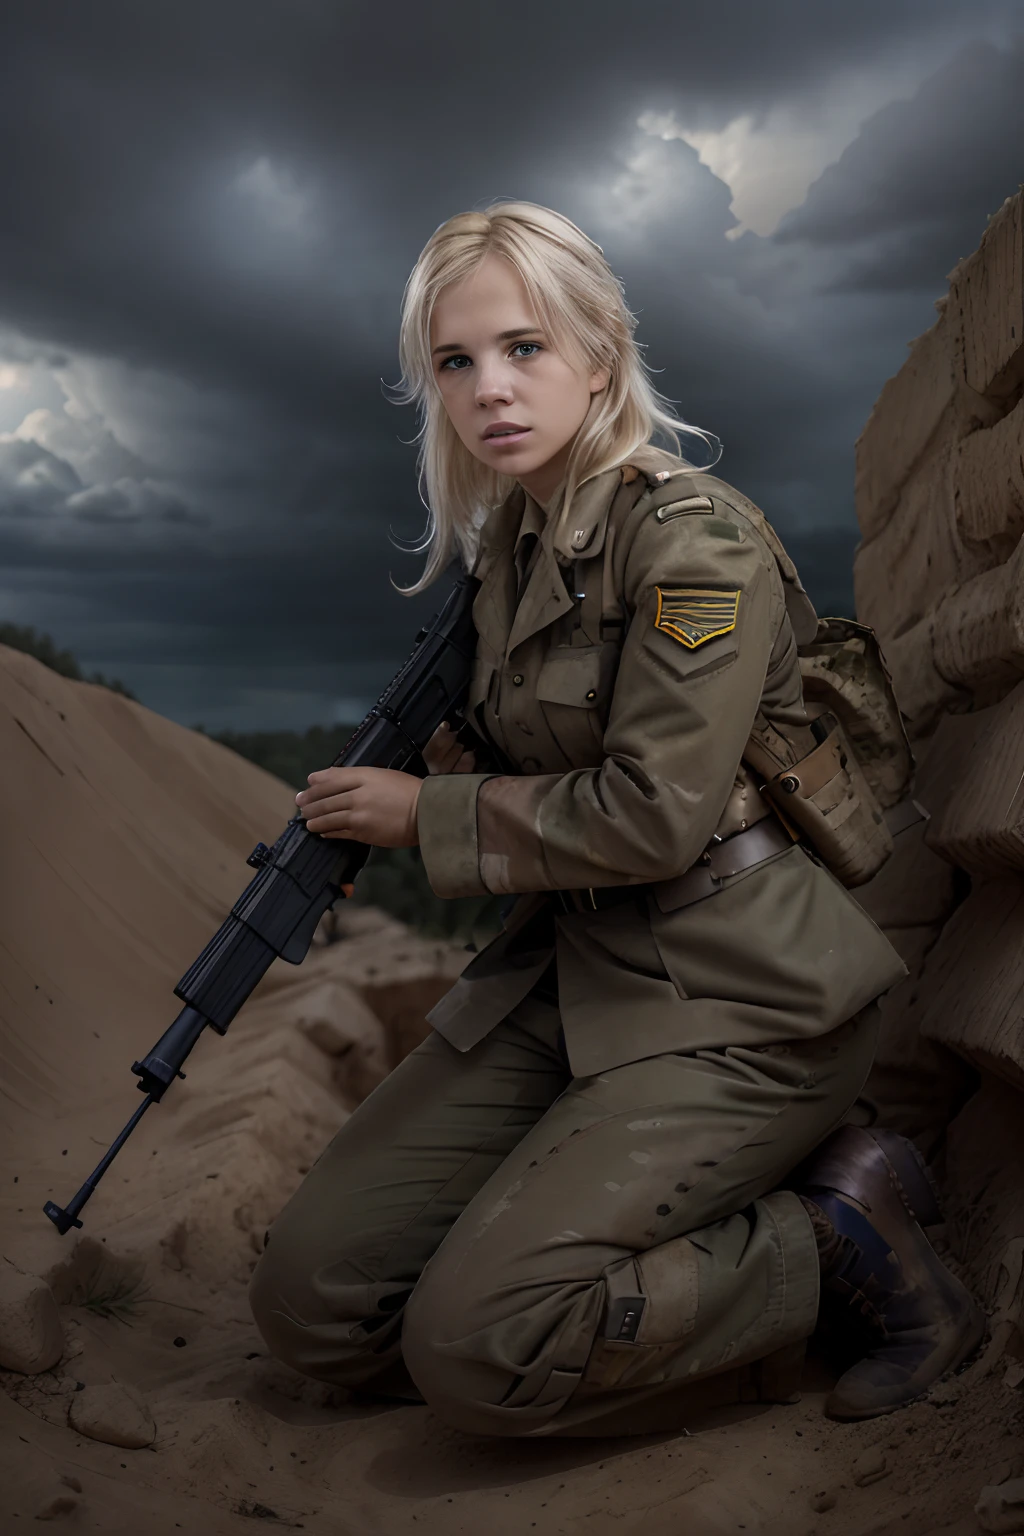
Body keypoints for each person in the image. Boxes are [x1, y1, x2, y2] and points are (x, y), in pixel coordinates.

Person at [249, 201, 983, 1436]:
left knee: (479, 1351)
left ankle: (834, 1234)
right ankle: (559, 1261)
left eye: (524, 346)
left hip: (738, 999)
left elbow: (652, 815)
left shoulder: (692, 545)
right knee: (314, 1303)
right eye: (456, 361)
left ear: (599, 351)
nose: (490, 388)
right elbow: (532, 749)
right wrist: (440, 771)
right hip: (572, 977)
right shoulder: (511, 558)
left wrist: (424, 813)